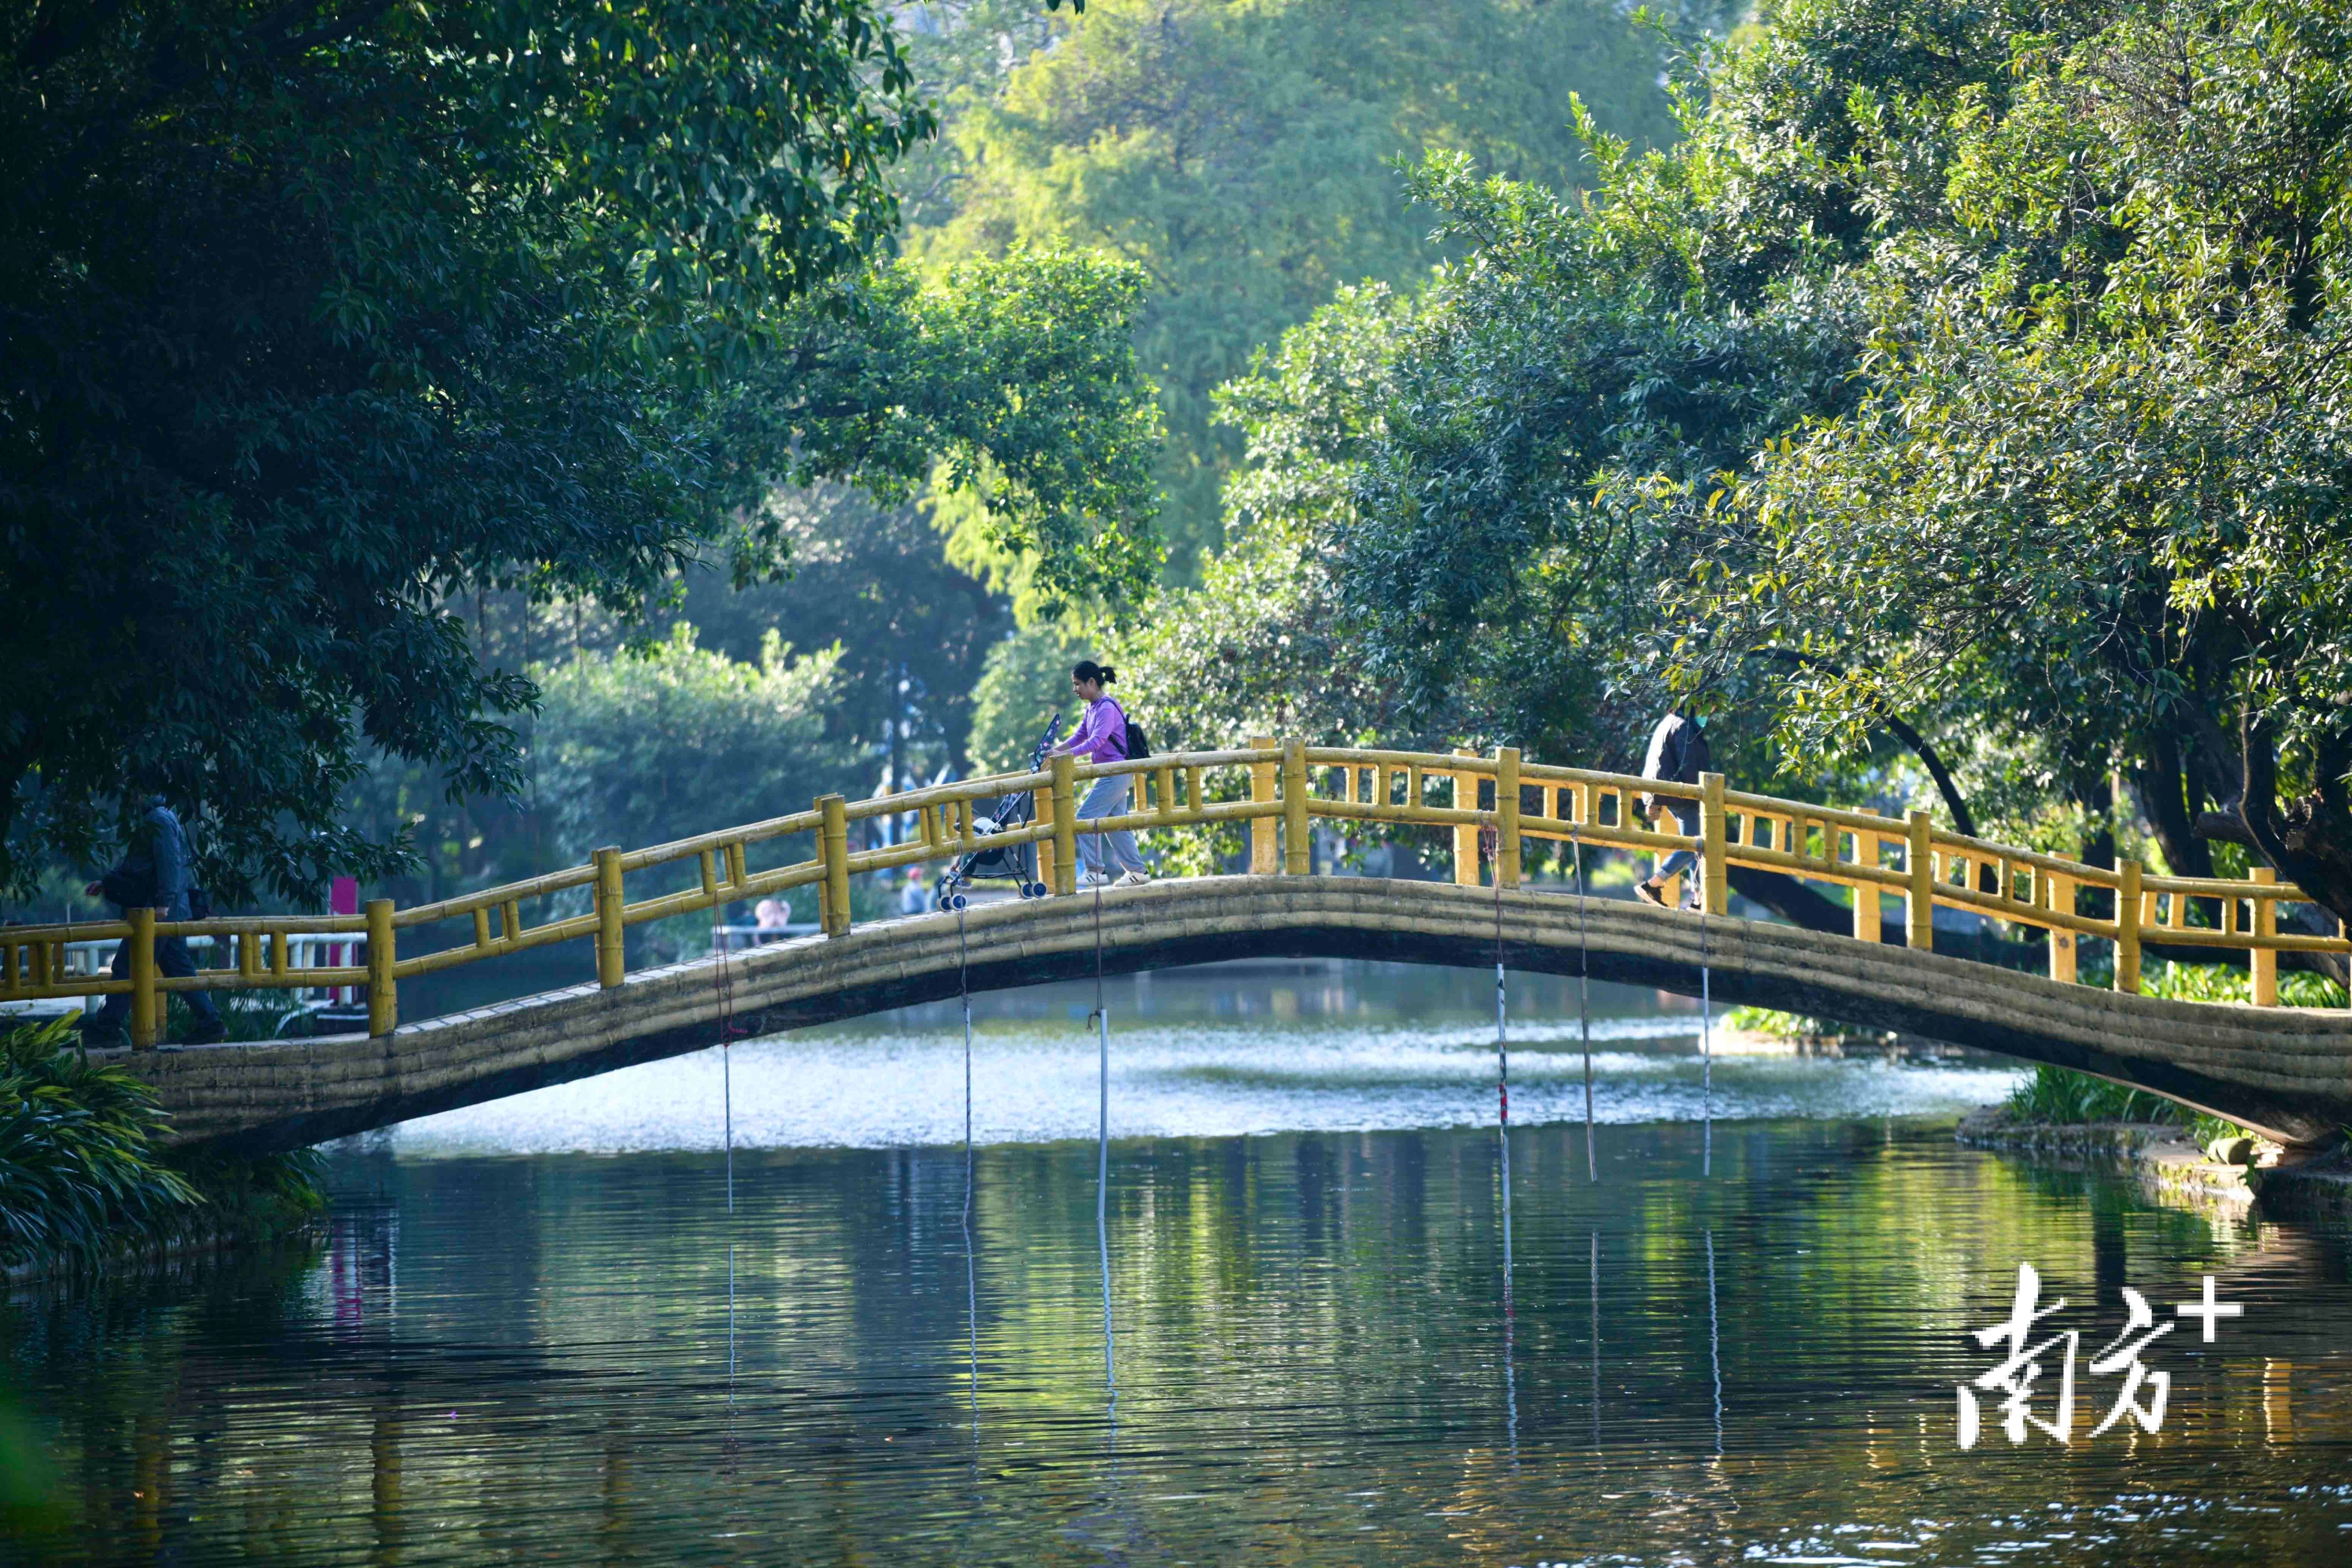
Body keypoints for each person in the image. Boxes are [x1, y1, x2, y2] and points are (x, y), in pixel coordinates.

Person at [83, 796, 225, 1045]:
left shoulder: (159, 819)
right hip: (161, 911)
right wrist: (107, 883)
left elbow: (170, 865)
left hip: (157, 913)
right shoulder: (154, 818)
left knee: (128, 965)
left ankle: (108, 1026)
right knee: (179, 970)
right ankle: (210, 1022)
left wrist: (164, 904)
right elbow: (139, 866)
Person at [1045, 660, 1150, 888]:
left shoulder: (1106, 708)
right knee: (1116, 824)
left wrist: (1065, 757)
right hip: (1111, 773)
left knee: (1085, 818)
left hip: (1117, 772)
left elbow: (1096, 742)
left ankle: (1095, 871)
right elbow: (1080, 736)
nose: (1075, 689)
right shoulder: (1092, 708)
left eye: (1078, 684)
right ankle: (1138, 871)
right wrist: (1055, 752)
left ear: (1092, 682)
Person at [1635, 707, 1711, 909]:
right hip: (1683, 796)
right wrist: (1702, 794)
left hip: (1669, 793)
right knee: (1694, 845)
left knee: (1697, 845)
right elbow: (1689, 767)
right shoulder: (1684, 727)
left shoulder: (1669, 722)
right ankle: (1653, 884)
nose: (1710, 713)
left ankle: (1698, 900)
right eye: (1710, 708)